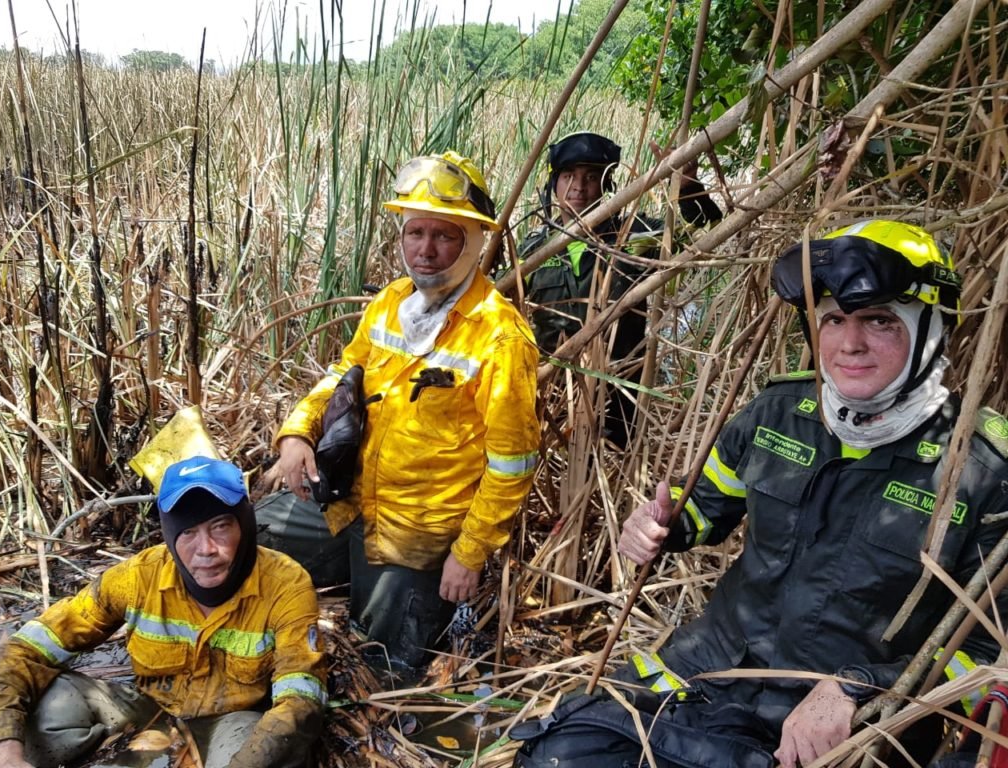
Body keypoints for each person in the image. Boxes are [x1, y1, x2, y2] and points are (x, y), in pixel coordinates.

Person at [511, 220, 1008, 767]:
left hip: (833, 729)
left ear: (932, 329)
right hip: (706, 672)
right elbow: (704, 507)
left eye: (879, 320)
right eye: (834, 320)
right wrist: (664, 523)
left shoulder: (983, 471)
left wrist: (864, 689)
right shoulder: (779, 412)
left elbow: (990, 657)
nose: (849, 343)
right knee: (557, 752)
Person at [257, 150, 541, 672]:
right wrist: (297, 433)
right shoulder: (390, 303)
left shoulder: (500, 337)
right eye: (415, 232)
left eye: (444, 235)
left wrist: (469, 554)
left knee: (382, 666)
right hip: (349, 502)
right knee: (244, 541)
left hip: (417, 534)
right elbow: (341, 375)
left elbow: (513, 464)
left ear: (472, 241)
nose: (426, 250)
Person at [0, 456, 329, 768]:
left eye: (221, 526)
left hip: (233, 721)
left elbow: (300, 701)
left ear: (245, 524)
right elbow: (25, 651)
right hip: (147, 709)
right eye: (188, 532)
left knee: (273, 753)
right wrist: (0, 747)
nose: (205, 550)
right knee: (40, 713)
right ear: (168, 534)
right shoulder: (136, 578)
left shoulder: (286, 585)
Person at [519, 131, 722, 447]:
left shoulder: (635, 235)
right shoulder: (532, 250)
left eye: (591, 177)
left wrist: (687, 189)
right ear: (553, 185)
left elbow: (707, 239)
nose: (579, 186)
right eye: (568, 176)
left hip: (618, 395)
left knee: (611, 471)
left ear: (607, 185)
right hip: (551, 393)